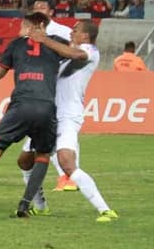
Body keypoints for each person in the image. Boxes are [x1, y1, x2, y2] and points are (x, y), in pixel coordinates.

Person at [0, 12, 63, 219]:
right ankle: (25, 205)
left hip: (21, 104)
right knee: (42, 155)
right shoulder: (58, 44)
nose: (19, 31)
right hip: (47, 106)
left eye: (22, 27)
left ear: (32, 27)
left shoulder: (16, 44)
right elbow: (77, 56)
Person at [28, 21, 119, 222]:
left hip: (68, 115)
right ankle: (40, 206)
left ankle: (105, 210)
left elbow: (77, 55)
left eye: (76, 30)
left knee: (66, 162)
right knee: (25, 161)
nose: (72, 32)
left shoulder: (89, 52)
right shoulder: (64, 57)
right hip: (48, 114)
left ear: (85, 36)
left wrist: (45, 40)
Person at [16, 0, 77, 197]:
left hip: (58, 88)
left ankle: (67, 176)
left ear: (52, 11)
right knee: (37, 143)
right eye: (36, 8)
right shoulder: (29, 30)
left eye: (43, 7)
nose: (40, 11)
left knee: (59, 134)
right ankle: (38, 195)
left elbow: (75, 53)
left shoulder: (63, 32)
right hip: (38, 89)